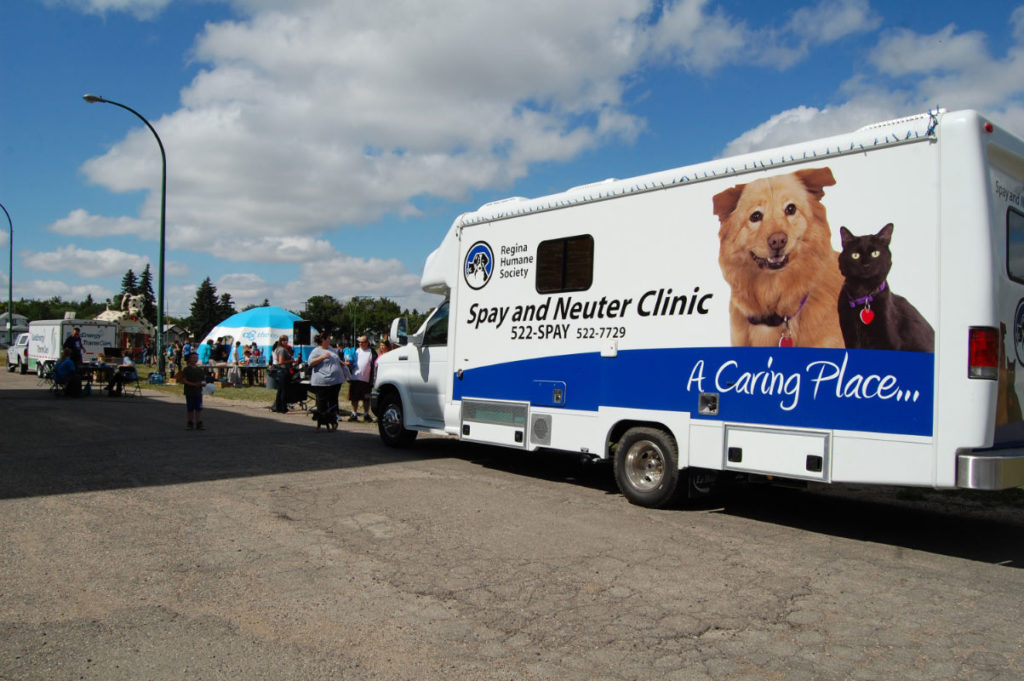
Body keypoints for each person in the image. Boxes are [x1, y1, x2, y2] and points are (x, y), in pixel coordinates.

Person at [308, 333, 350, 431]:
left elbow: (336, 359)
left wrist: (343, 363)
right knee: (322, 402)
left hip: (335, 381)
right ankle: (321, 422)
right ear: (323, 339)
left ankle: (333, 421)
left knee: (333, 401)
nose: (330, 340)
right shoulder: (316, 351)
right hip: (322, 381)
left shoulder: (331, 348)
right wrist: (322, 357)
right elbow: (310, 363)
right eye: (328, 338)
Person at [348, 335, 376, 422]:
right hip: (355, 378)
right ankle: (354, 414)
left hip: (366, 380)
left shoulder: (372, 352)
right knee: (354, 398)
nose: (360, 344)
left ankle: (366, 414)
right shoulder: (355, 351)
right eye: (359, 342)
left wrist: (373, 379)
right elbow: (349, 361)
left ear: (367, 343)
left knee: (366, 398)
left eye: (363, 342)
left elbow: (375, 365)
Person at [176, 352, 206, 430]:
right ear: (189, 359)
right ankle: (190, 422)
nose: (194, 359)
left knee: (198, 408)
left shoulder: (200, 370)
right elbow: (184, 380)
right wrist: (193, 384)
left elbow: (203, 380)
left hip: (198, 392)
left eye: (196, 358)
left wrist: (203, 384)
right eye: (193, 357)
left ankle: (199, 422)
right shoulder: (186, 369)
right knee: (190, 408)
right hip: (189, 392)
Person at [271, 334, 296, 413]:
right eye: (284, 340)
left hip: (281, 370)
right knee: (283, 390)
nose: (286, 342)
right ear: (281, 341)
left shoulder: (279, 349)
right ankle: (283, 408)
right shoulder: (282, 350)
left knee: (280, 390)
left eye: (286, 340)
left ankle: (278, 407)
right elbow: (281, 362)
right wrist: (291, 361)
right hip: (283, 370)